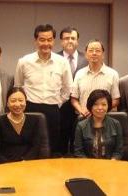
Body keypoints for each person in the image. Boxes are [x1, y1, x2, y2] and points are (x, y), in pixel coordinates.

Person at [14, 24, 73, 156]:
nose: (46, 43)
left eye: (49, 39)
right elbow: (18, 86)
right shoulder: (24, 61)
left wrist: (58, 102)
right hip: (30, 108)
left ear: (54, 41)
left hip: (53, 109)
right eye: (42, 39)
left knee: (52, 147)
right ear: (35, 40)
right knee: (30, 146)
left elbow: (68, 88)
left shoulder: (62, 62)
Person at [0, 87, 45, 164]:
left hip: (29, 164)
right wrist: (9, 165)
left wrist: (25, 161)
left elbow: (35, 147)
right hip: (5, 166)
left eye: (21, 100)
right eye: (13, 101)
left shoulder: (34, 120)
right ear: (7, 103)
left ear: (26, 102)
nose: (17, 104)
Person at [57, 26, 88, 155]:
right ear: (61, 41)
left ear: (77, 41)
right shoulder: (54, 58)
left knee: (79, 145)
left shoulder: (87, 59)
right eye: (66, 38)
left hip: (81, 110)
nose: (70, 41)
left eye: (73, 38)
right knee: (60, 144)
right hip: (60, 109)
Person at [71, 39, 120, 118]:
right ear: (86, 55)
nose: (94, 53)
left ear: (103, 54)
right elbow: (74, 99)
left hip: (106, 118)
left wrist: (100, 111)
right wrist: (81, 110)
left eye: (97, 50)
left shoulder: (113, 74)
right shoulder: (79, 74)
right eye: (91, 50)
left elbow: (116, 100)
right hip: (84, 118)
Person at [74, 90, 123, 159]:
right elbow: (78, 152)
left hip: (110, 165)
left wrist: (111, 163)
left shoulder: (116, 124)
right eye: (96, 104)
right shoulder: (81, 126)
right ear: (90, 106)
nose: (100, 108)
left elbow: (118, 152)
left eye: (104, 104)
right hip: (88, 166)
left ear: (108, 106)